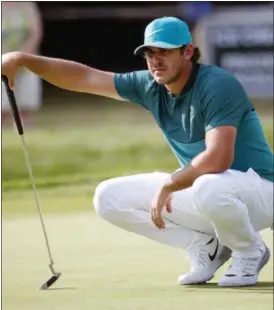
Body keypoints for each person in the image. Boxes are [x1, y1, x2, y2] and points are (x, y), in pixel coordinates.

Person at [2, 17, 273, 287]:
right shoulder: (150, 86)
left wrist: (171, 183)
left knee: (209, 185)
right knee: (108, 197)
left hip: (260, 191)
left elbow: (218, 158)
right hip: (210, 191)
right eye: (149, 53)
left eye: (165, 51)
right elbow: (85, 77)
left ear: (188, 51)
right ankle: (207, 245)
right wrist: (25, 59)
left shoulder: (217, 84)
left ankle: (249, 250)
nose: (155, 60)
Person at [1, 1, 43, 125]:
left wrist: (21, 56)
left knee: (25, 107)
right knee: (2, 108)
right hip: (3, 63)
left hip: (27, 62)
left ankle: (25, 136)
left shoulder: (28, 5)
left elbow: (36, 33)